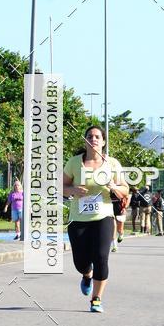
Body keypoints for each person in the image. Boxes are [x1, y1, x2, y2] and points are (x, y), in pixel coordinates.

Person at [63, 125, 129, 313]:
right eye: (90, 136)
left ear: (103, 142)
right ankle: (86, 275)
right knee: (80, 262)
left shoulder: (112, 164)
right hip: (78, 218)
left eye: (97, 136)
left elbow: (125, 190)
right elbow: (61, 186)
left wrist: (114, 187)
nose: (94, 139)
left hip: (104, 216)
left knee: (101, 258)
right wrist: (73, 190)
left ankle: (96, 299)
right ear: (85, 141)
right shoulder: (74, 162)